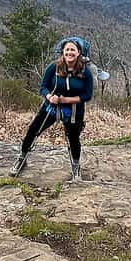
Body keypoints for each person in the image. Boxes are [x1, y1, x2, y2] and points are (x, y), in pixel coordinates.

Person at [11, 37, 94, 182]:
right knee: (33, 130)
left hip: (74, 110)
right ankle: (21, 158)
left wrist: (65, 100)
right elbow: (43, 87)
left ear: (79, 52)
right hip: (51, 106)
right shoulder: (53, 67)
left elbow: (87, 95)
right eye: (67, 49)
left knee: (73, 138)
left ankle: (76, 167)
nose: (69, 52)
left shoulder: (85, 72)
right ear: (62, 51)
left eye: (72, 50)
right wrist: (49, 97)